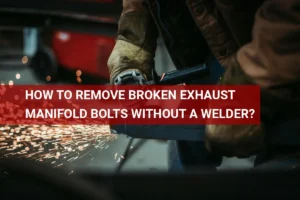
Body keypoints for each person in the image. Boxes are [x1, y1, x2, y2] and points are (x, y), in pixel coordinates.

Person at [107, 0, 300, 171]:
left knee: (279, 172)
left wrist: (255, 80)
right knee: (184, 147)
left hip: (280, 62)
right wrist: (133, 36)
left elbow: (290, 17)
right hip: (211, 56)